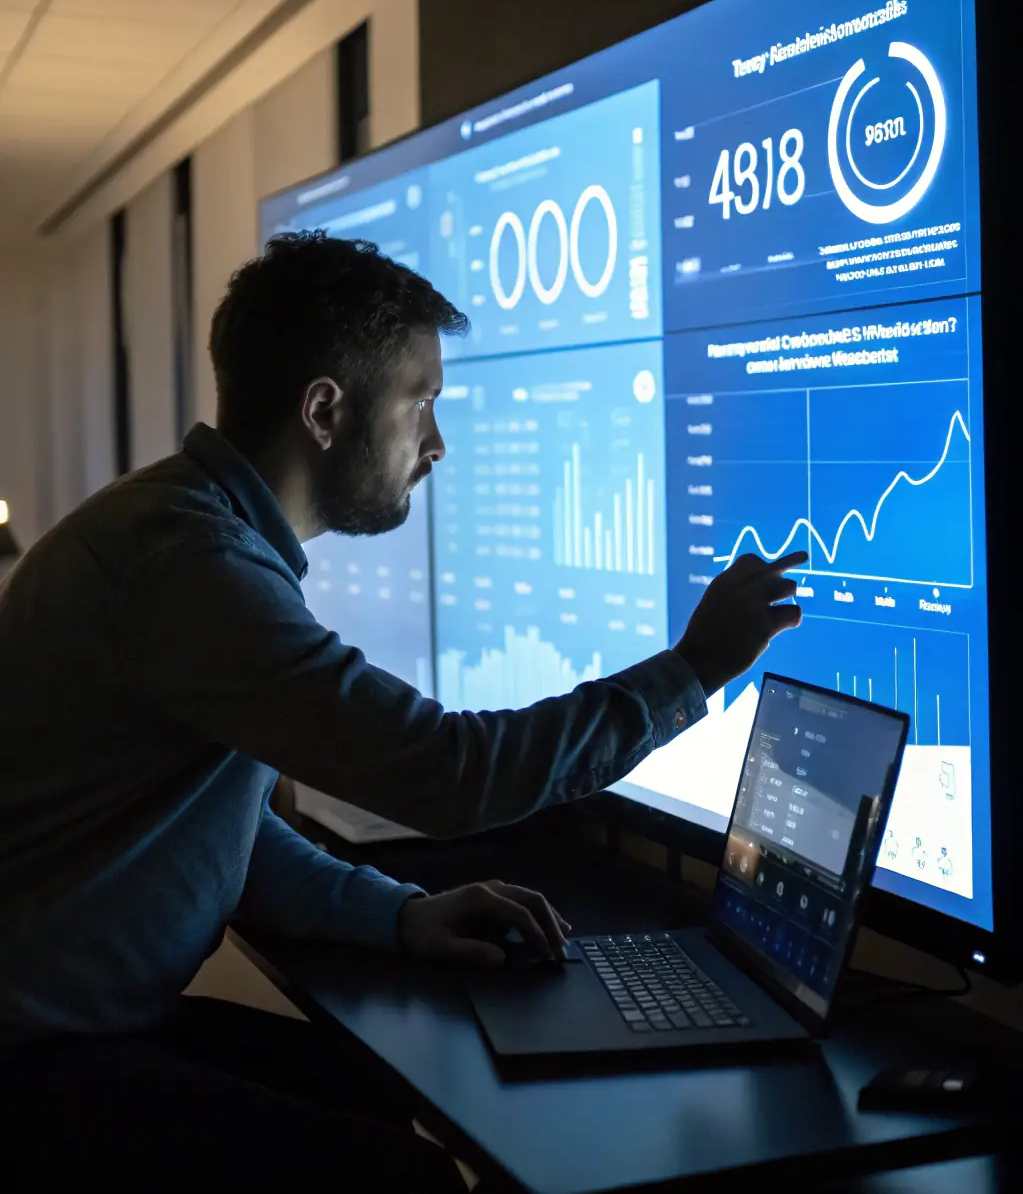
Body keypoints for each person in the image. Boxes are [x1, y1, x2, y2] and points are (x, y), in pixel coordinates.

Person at [0, 231, 805, 1189]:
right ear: (327, 410)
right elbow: (451, 774)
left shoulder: (181, 528)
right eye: (420, 399)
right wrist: (696, 667)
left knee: (378, 1099)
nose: (436, 442)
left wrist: (401, 916)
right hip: (32, 1062)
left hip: (71, 1023)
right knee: (407, 1178)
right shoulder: (191, 567)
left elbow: (222, 834)